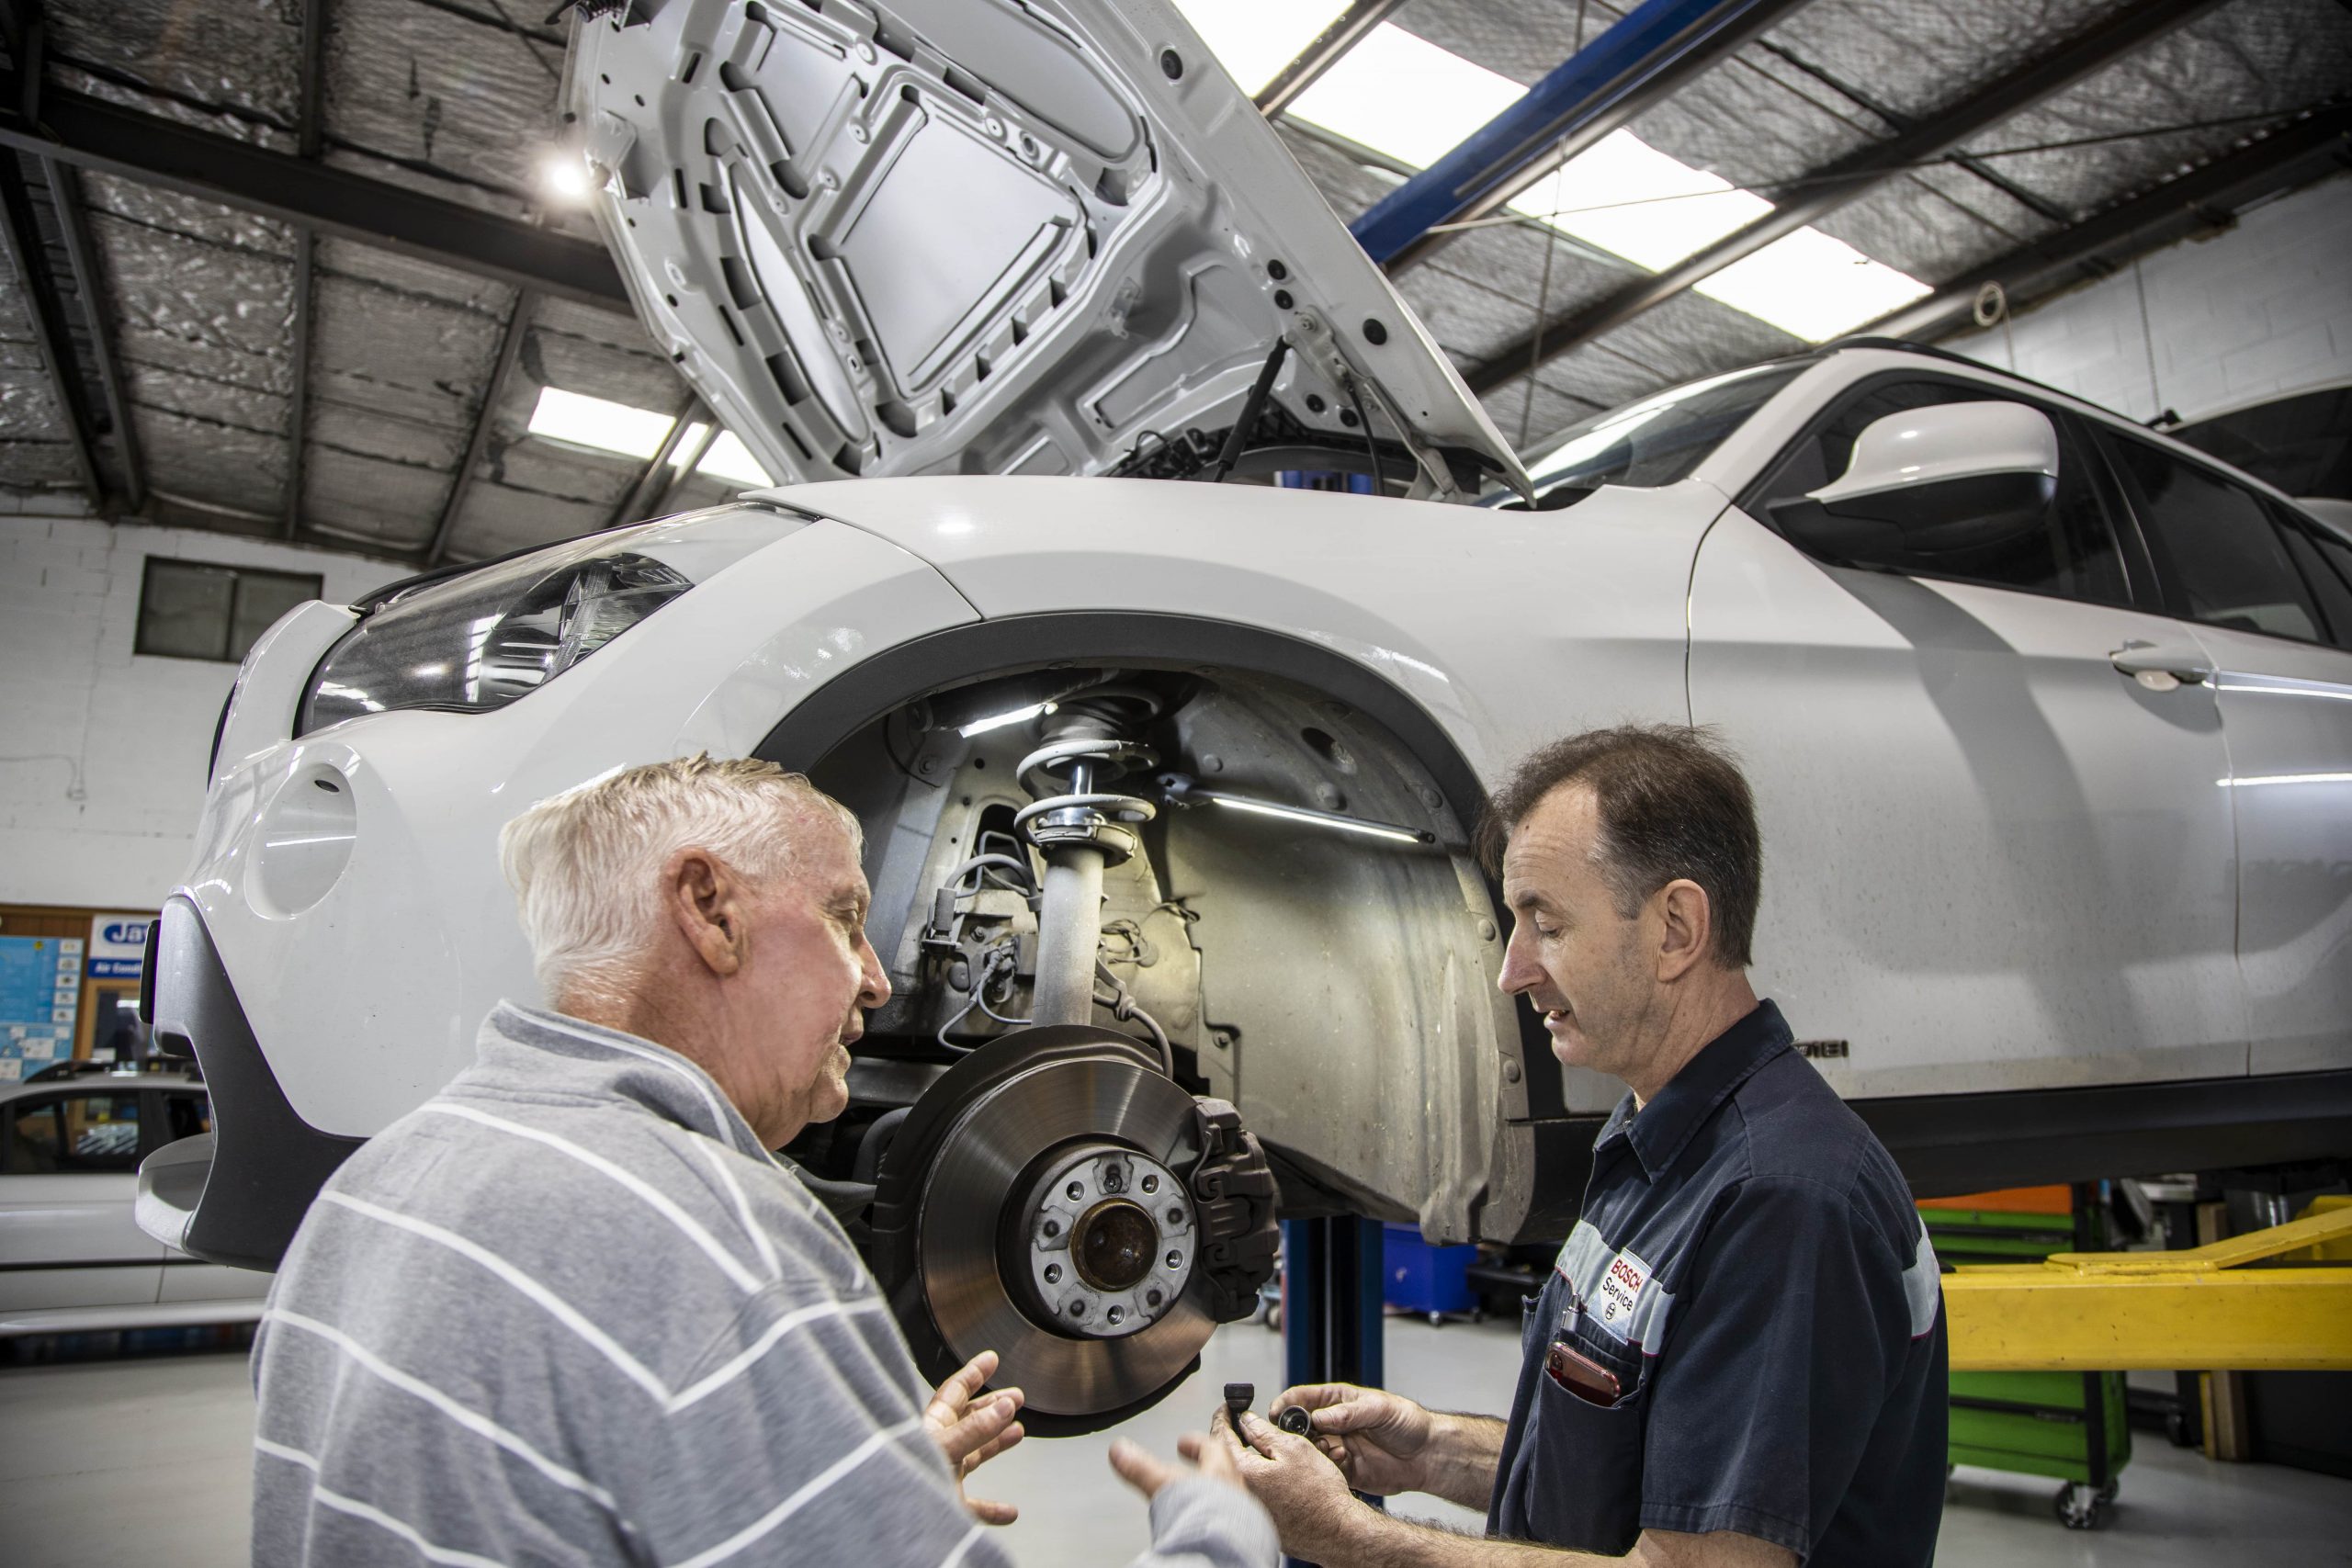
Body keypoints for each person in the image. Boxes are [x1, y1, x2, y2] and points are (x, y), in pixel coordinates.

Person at [251, 753, 1272, 1567]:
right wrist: (1221, 1533)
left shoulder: (380, 1183)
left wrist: (835, 1480)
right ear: (708, 907)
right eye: (841, 917)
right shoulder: (723, 1242)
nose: (876, 981)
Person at [1203, 727, 1947, 1567]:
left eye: (1546, 923)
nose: (1511, 970)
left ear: (1676, 928)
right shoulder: (1654, 1137)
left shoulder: (1784, 1201)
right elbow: (1640, 1468)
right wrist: (1434, 1451)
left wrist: (1352, 1539)